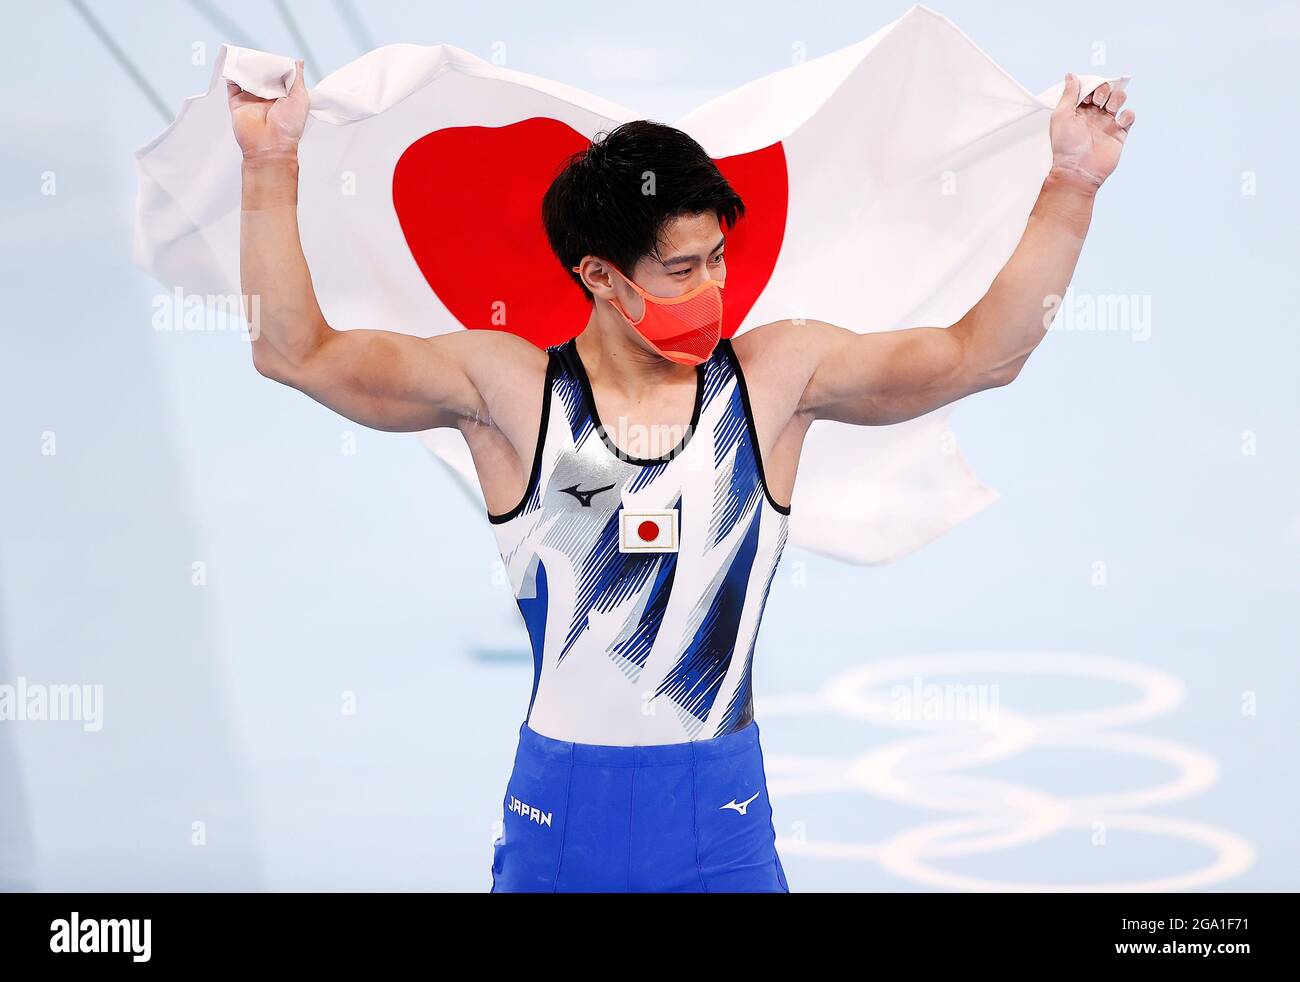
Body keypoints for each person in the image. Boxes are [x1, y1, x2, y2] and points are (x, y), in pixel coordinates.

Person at [227, 61, 1135, 892]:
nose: (715, 289)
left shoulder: (775, 381)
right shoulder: (507, 391)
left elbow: (982, 356)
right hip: (559, 823)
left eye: (720, 259)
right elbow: (294, 351)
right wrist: (270, 160)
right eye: (682, 269)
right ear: (601, 277)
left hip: (719, 823)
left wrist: (1073, 184)